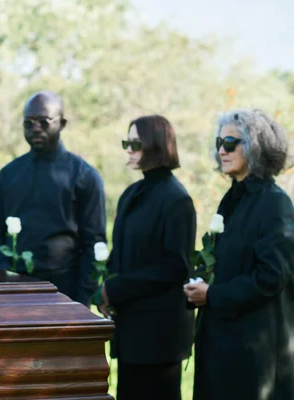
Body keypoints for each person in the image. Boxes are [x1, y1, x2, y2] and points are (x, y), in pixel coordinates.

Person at [184, 109, 294, 400]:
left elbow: (271, 277)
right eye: (220, 142)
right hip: (221, 347)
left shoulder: (275, 203)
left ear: (257, 146)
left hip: (254, 356)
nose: (222, 149)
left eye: (231, 143)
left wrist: (212, 295)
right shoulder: (231, 200)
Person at [99, 115, 196, 400]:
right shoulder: (133, 193)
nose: (128, 149)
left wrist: (115, 289)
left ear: (156, 144)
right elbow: (122, 253)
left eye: (135, 143)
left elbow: (175, 266)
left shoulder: (177, 199)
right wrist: (106, 289)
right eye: (126, 143)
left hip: (159, 334)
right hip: (131, 326)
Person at [0, 91, 106, 307]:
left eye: (44, 121)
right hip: (14, 291)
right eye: (28, 123)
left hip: (66, 291)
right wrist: (6, 274)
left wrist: (82, 299)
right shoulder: (8, 175)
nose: (36, 129)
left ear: (62, 123)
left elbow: (94, 242)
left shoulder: (84, 175)